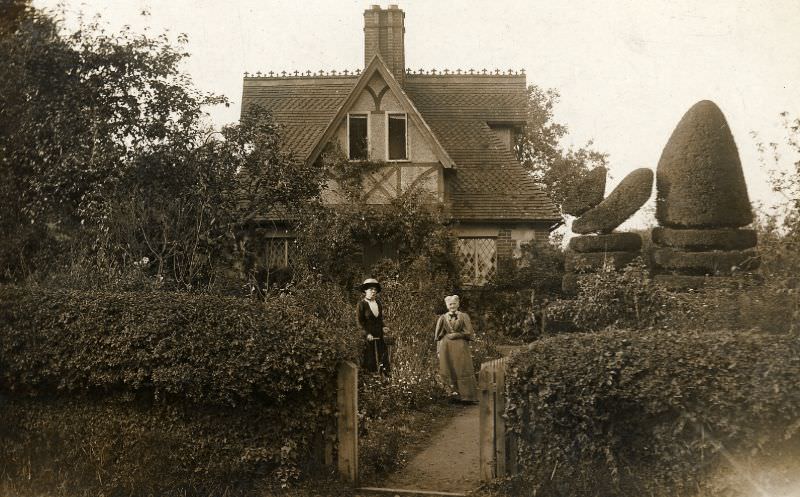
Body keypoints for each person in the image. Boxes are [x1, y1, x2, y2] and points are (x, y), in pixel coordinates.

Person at [434, 294, 478, 403]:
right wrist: (438, 350)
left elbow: (469, 332)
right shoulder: (443, 318)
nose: (452, 306)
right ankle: (451, 396)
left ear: (458, 304)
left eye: (454, 303)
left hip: (460, 346)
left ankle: (467, 397)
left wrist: (458, 335)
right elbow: (438, 336)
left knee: (462, 368)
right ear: (446, 305)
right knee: (447, 368)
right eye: (450, 304)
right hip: (446, 347)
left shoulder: (464, 316)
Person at [356, 278, 391, 376]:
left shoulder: (378, 303)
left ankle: (384, 381)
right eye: (371, 289)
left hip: (379, 336)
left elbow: (379, 320)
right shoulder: (361, 304)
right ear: (365, 291)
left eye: (375, 289)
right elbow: (359, 322)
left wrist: (384, 327)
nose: (373, 291)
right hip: (368, 338)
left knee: (383, 359)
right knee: (370, 361)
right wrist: (367, 334)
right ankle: (370, 382)